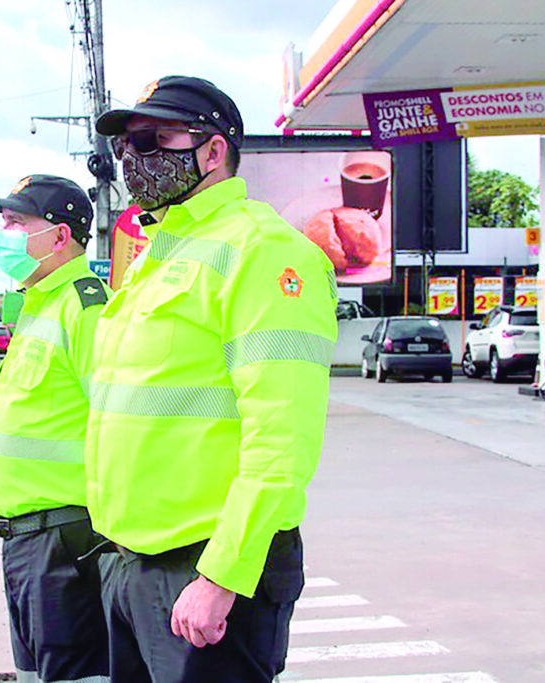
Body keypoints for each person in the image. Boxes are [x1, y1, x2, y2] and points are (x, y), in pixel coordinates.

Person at [85, 76, 339, 682]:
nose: (135, 158)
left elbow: (282, 439)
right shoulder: (159, 252)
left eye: (154, 138)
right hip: (133, 567)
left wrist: (221, 575)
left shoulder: (264, 251)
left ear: (213, 150)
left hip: (206, 573)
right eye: (127, 146)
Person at [0, 174, 110, 683]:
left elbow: (114, 422)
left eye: (15, 222)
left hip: (69, 542)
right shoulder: (38, 305)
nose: (3, 234)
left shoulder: (85, 306)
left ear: (58, 237)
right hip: (26, 542)